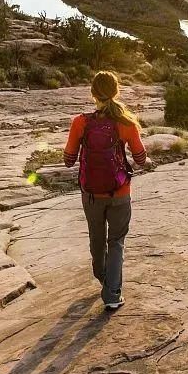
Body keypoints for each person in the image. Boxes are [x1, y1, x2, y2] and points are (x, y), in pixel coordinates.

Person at [64, 70, 147, 310]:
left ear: (93, 94)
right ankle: (112, 294)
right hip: (120, 192)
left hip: (91, 194)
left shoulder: (80, 122)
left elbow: (69, 159)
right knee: (117, 242)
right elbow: (140, 158)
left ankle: (103, 277)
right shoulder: (126, 123)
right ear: (116, 91)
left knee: (96, 238)